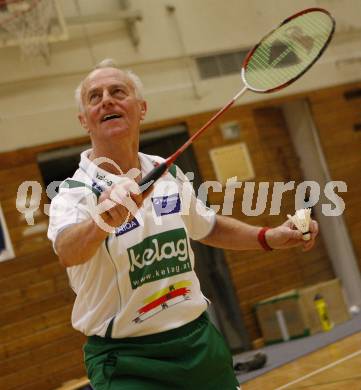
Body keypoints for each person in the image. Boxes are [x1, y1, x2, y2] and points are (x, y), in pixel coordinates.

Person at [48, 58, 318, 390]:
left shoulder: (168, 171)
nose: (106, 99)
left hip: (197, 343)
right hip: (128, 360)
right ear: (84, 120)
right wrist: (100, 221)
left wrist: (268, 236)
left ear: (141, 108)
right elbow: (67, 251)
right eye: (94, 96)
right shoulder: (73, 194)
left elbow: (209, 227)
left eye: (118, 91)